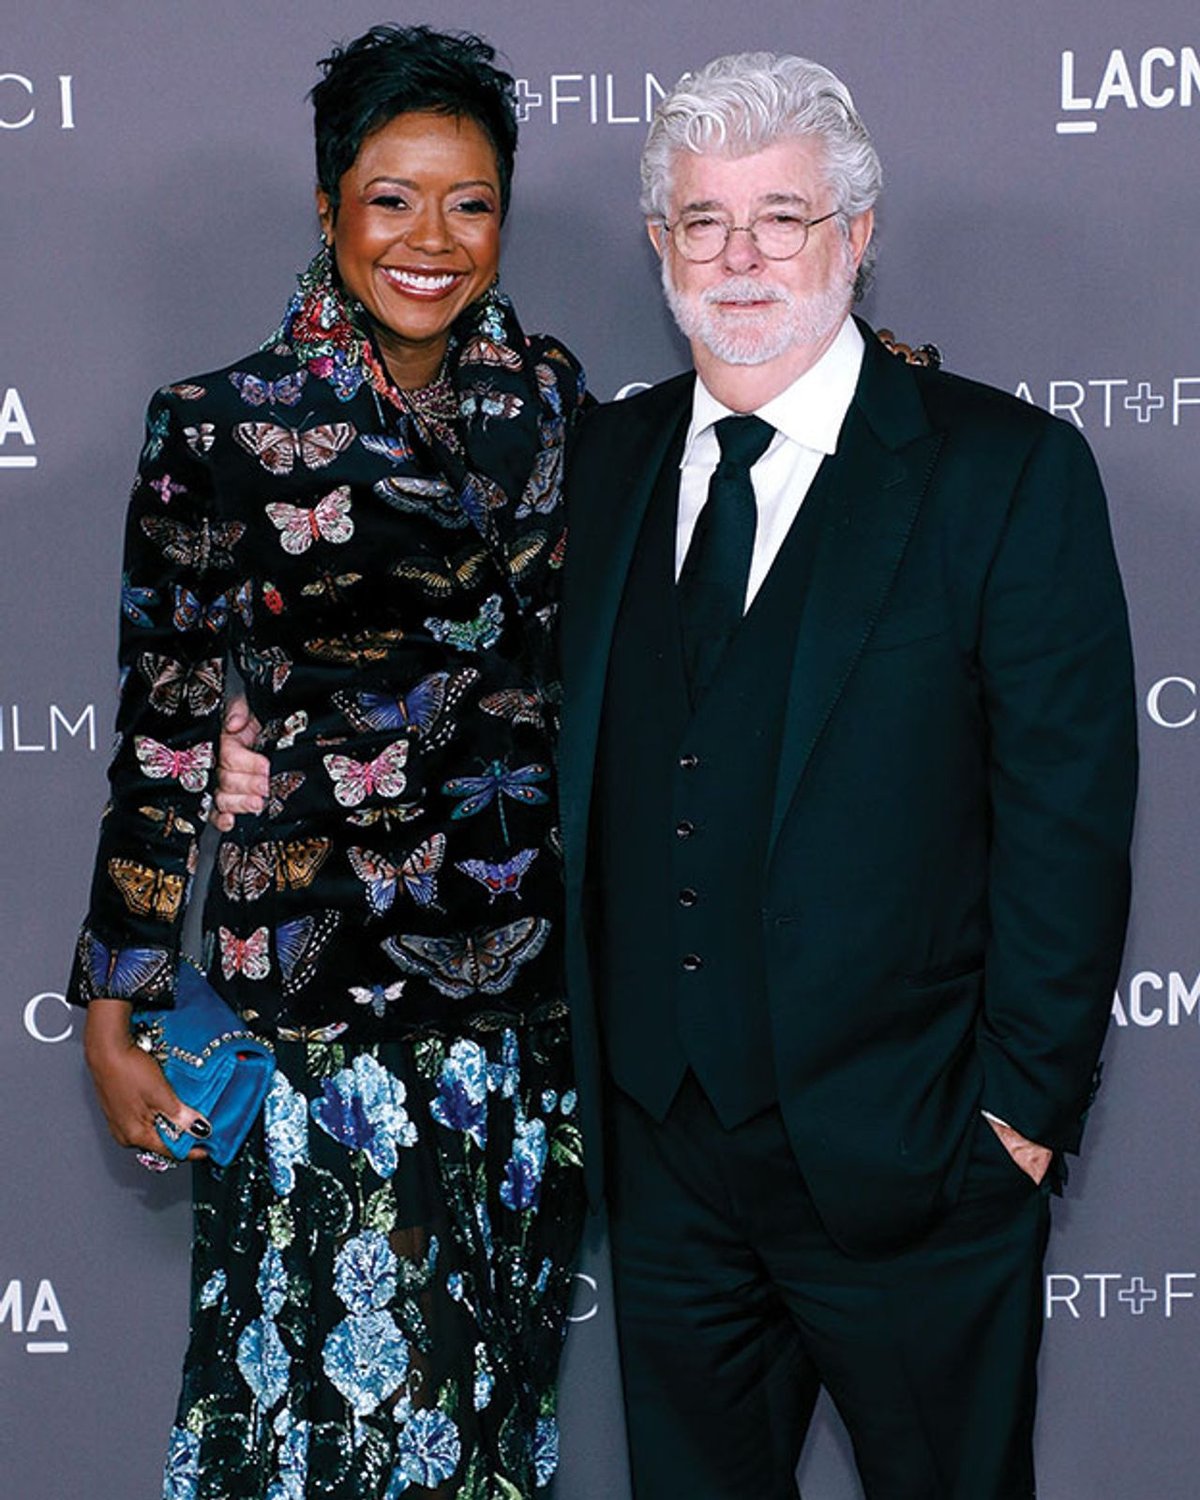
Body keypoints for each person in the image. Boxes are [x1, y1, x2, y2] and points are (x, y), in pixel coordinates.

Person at [553, 52, 1136, 1500]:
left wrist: (1016, 1119)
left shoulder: (1002, 470)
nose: (740, 257)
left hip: (919, 1161)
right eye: (704, 221)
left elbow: (1068, 816)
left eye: (783, 217)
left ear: (857, 235)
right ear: (661, 244)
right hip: (666, 1165)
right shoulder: (601, 461)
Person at [68, 26, 587, 1499]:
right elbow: (167, 726)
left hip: (523, 1009)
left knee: (484, 1429)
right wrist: (116, 1002)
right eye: (391, 199)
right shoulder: (220, 425)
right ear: (328, 207)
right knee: (327, 1420)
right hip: (317, 1003)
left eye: (470, 203)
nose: (432, 240)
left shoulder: (556, 402)